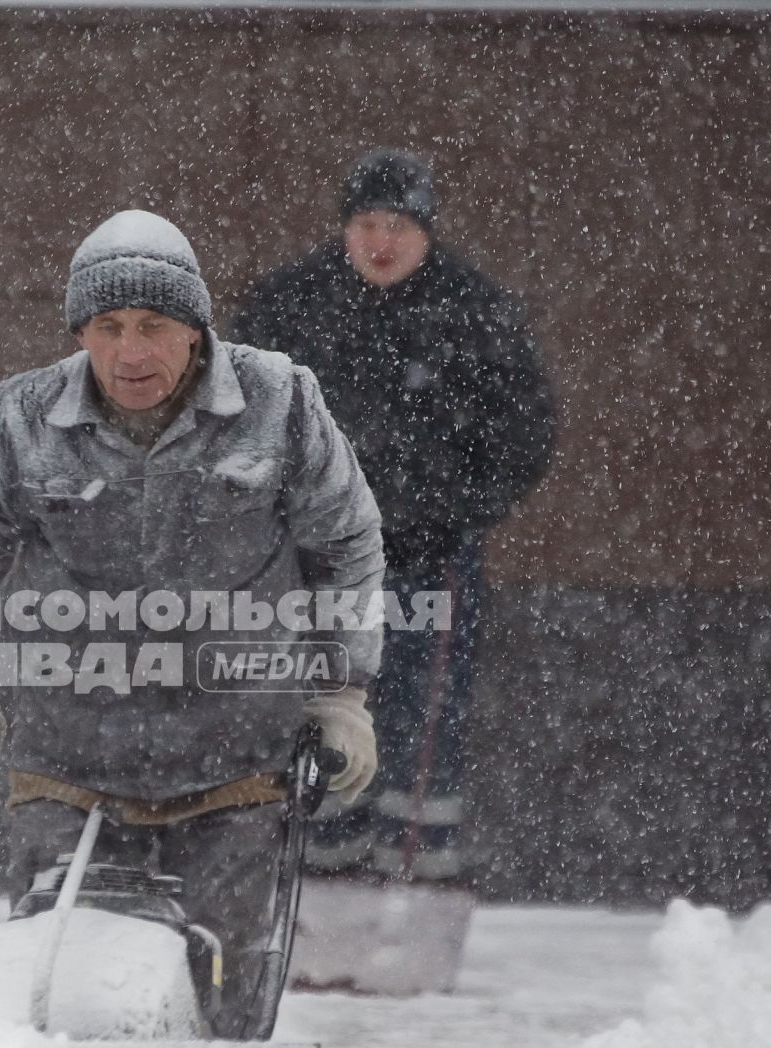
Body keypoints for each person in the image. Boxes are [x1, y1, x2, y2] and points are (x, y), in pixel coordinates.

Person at [0, 210, 386, 1037]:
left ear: (196, 327)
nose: (131, 353)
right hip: (68, 759)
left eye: (154, 326)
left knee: (223, 997)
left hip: (237, 760)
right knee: (54, 982)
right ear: (81, 331)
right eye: (108, 327)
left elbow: (346, 546)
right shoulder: (23, 419)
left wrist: (342, 695)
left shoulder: (280, 404)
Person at [229, 148, 556, 900]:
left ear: (427, 232)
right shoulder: (290, 305)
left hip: (427, 556)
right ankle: (322, 870)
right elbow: (236, 412)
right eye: (368, 223)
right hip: (313, 558)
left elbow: (526, 430)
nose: (382, 240)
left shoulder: (475, 312)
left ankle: (417, 879)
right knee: (320, 699)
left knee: (423, 709)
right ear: (345, 228)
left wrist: (456, 513)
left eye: (399, 225)